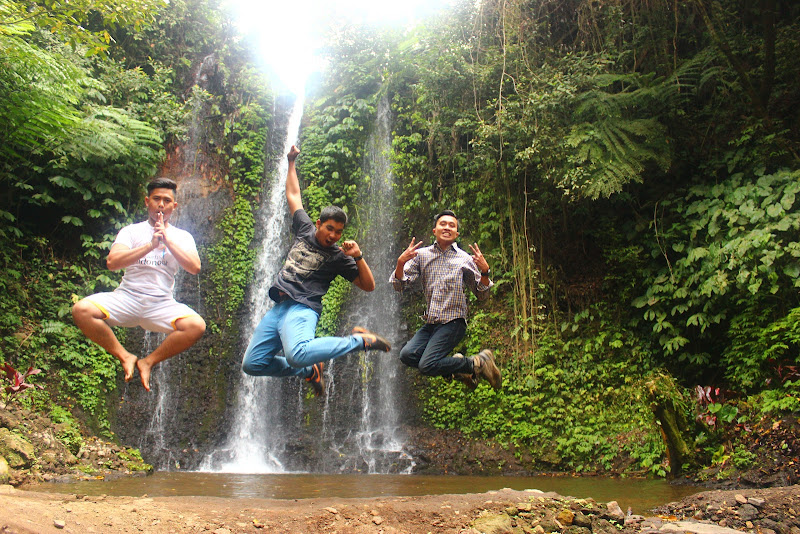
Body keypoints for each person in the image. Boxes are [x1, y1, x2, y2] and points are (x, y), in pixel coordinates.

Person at [240, 145, 391, 396]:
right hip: (278, 308)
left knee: (297, 353)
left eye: (339, 232)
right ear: (319, 224)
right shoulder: (304, 228)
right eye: (330, 228)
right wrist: (290, 162)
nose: (334, 235)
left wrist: (359, 257)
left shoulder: (338, 257)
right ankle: (310, 372)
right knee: (252, 364)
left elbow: (368, 285)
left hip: (303, 308)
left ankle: (361, 341)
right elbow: (293, 195)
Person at [72, 178, 206, 392]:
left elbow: (194, 267)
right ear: (147, 201)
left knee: (197, 325)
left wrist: (167, 241)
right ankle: (125, 355)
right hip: (126, 298)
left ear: (174, 206)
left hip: (161, 304)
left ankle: (148, 361)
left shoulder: (183, 236)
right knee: (81, 310)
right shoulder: (131, 232)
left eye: (166, 200)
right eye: (156, 199)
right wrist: (149, 245)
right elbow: (112, 263)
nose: (161, 204)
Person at [391, 210, 501, 390]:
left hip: (454, 322)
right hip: (432, 323)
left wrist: (485, 272)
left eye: (452, 225)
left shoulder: (465, 259)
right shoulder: (421, 255)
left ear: (457, 233)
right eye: (443, 224)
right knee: (407, 355)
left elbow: (482, 294)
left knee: (426, 365)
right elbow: (399, 285)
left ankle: (479, 362)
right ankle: (459, 369)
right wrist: (400, 263)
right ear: (434, 230)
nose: (447, 227)